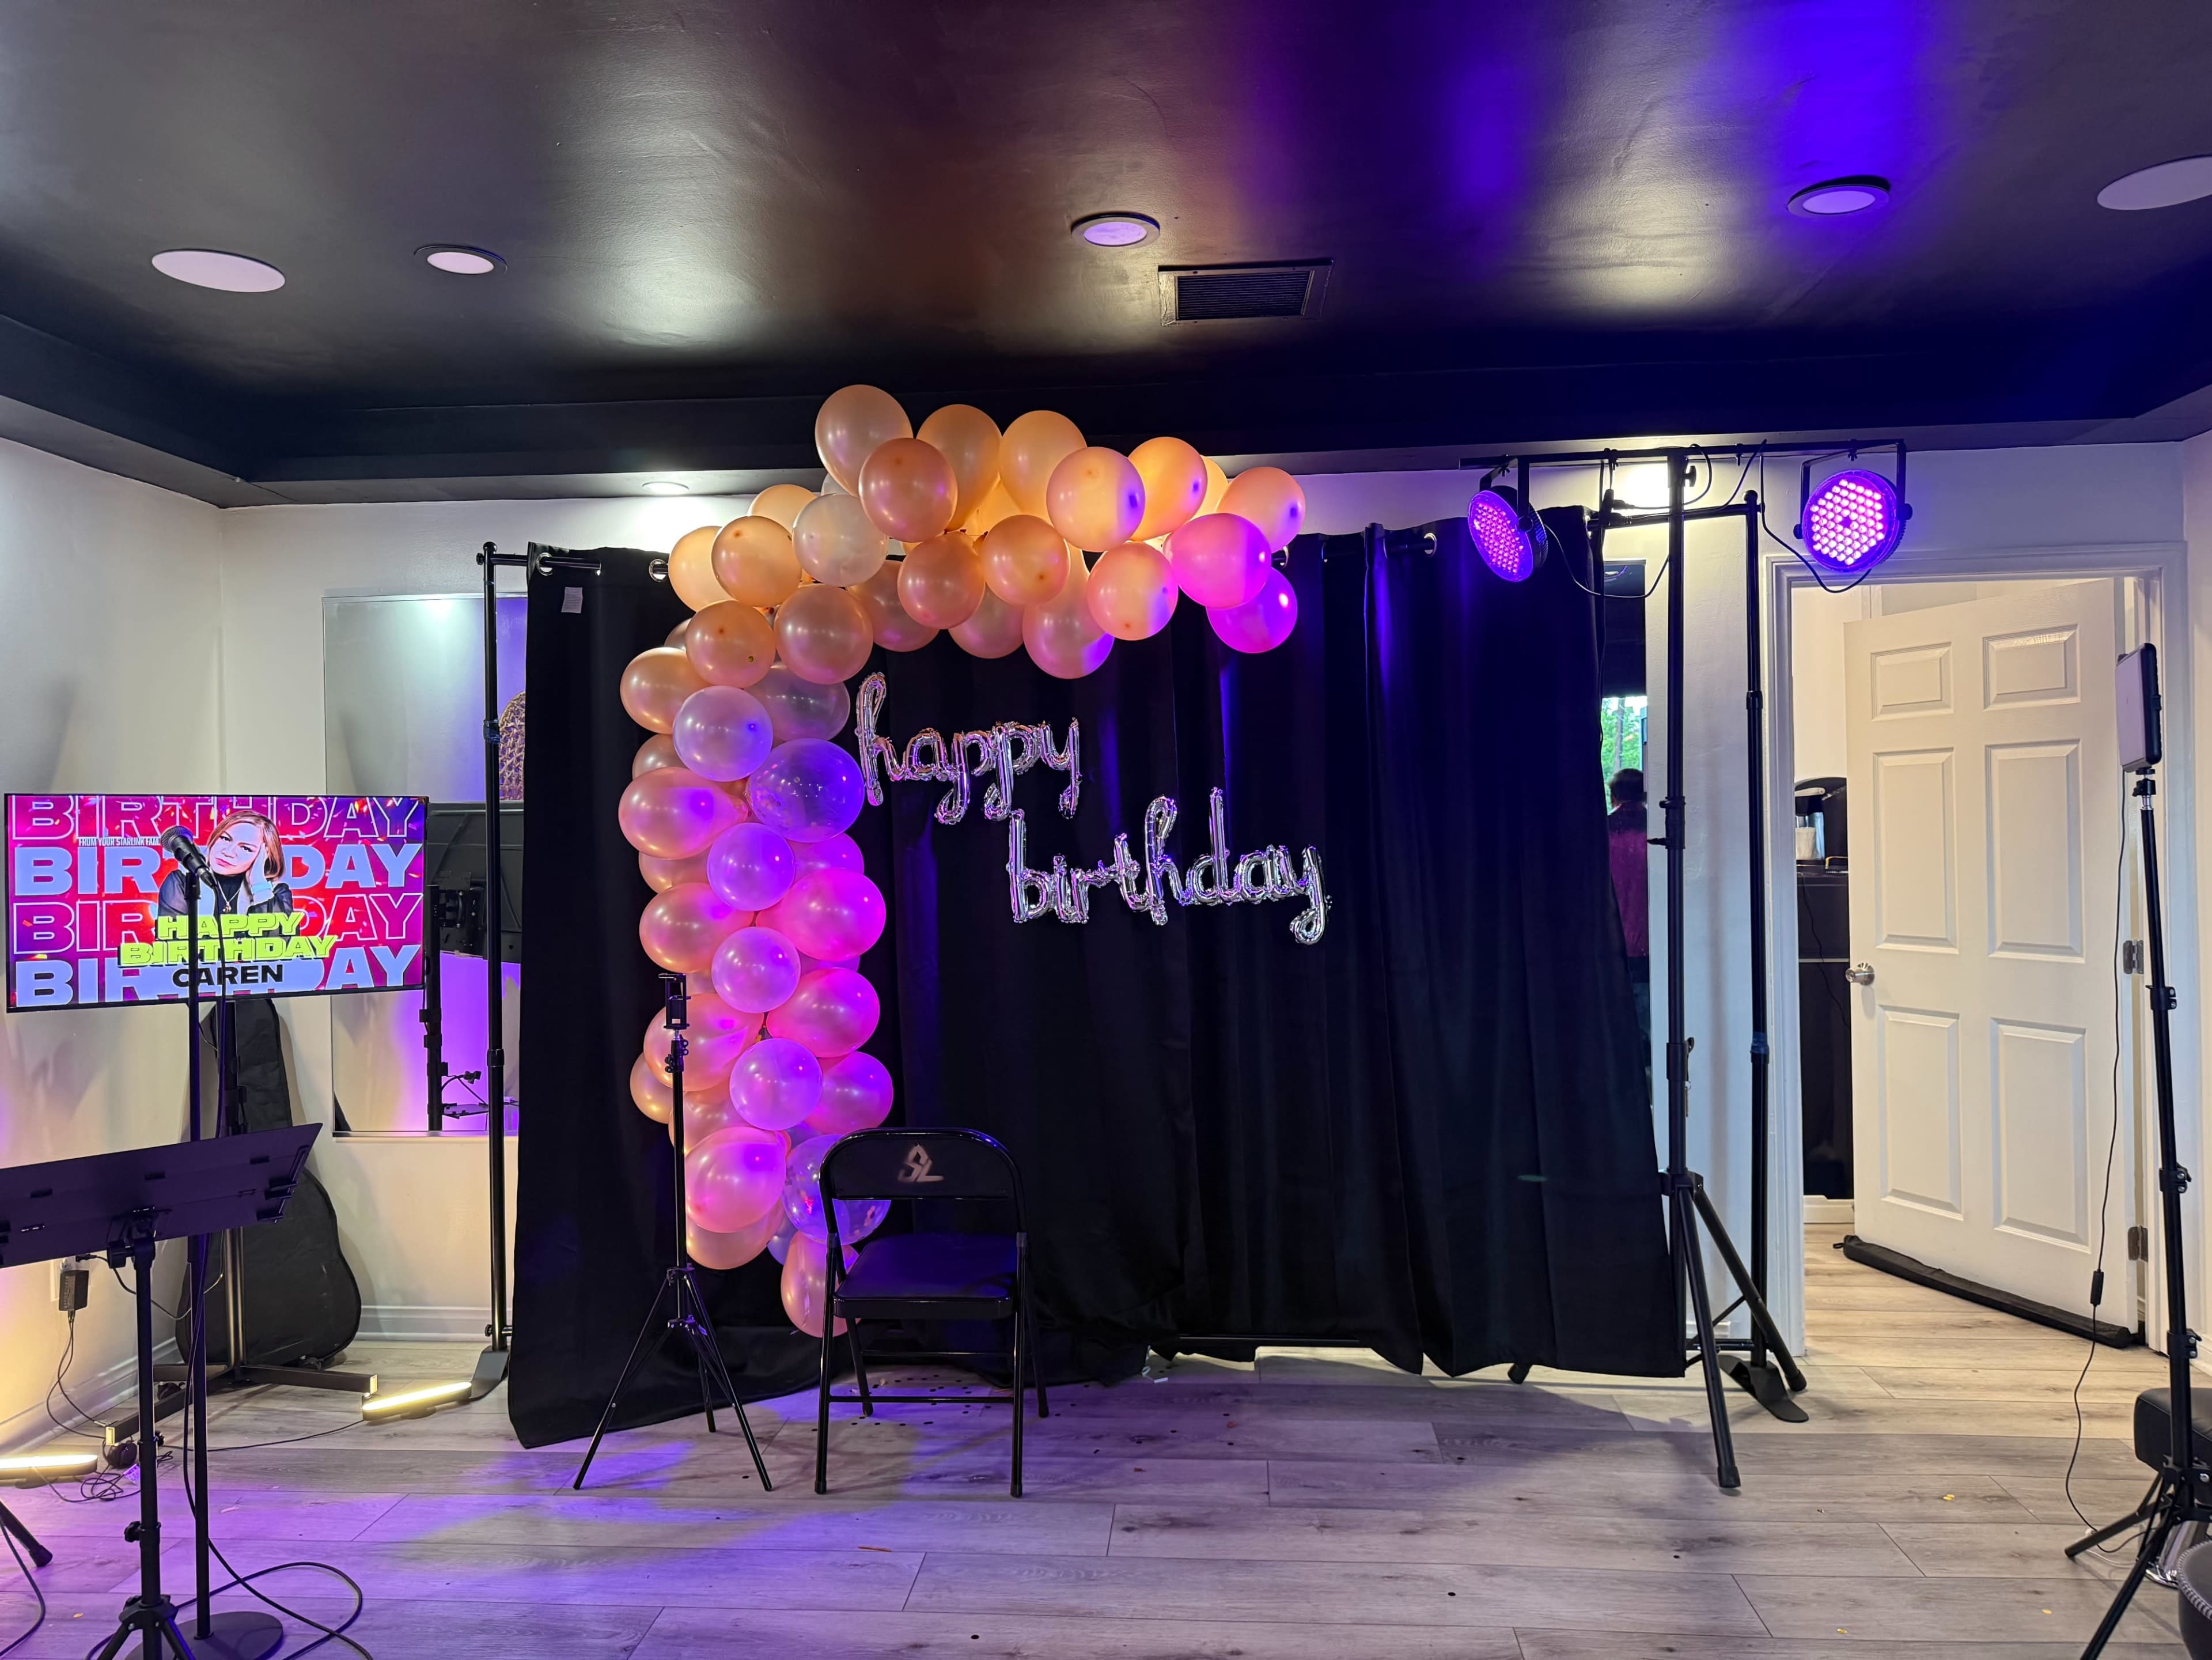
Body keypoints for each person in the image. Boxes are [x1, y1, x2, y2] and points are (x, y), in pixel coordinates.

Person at [156, 809, 294, 920]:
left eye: (246, 848)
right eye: (225, 839)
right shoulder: (181, 881)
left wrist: (259, 886)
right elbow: (173, 944)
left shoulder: (277, 892)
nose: (228, 852)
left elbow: (276, 945)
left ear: (264, 855)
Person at [1605, 769, 1650, 1065]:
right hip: (1653, 942)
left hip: (1612, 941)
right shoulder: (1659, 830)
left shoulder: (1602, 830)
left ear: (1614, 795)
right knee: (1652, 1019)